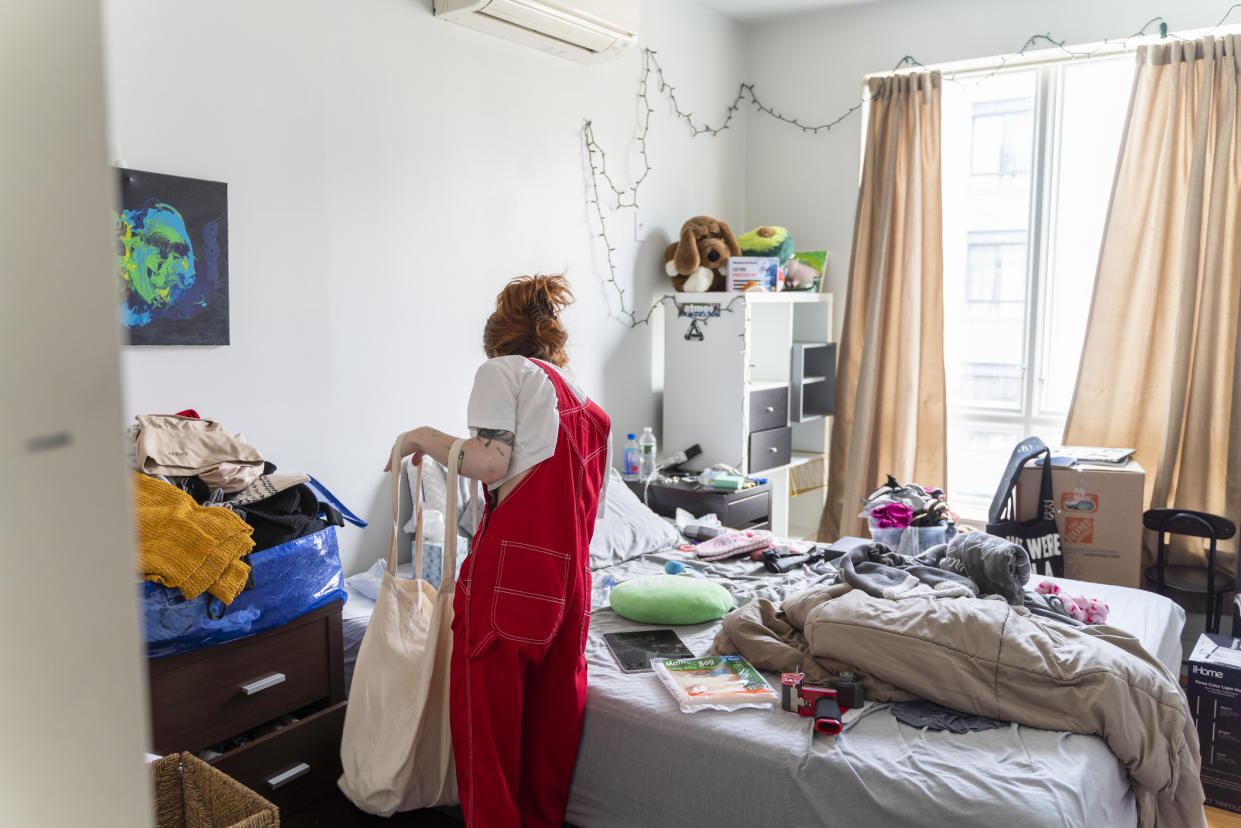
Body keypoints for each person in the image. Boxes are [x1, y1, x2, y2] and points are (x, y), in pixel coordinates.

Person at [386, 274, 611, 827]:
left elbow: (490, 462)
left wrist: (420, 436)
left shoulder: (503, 371)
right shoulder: (586, 405)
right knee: (549, 729)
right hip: (572, 582)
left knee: (486, 734)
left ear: (498, 338)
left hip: (514, 574)